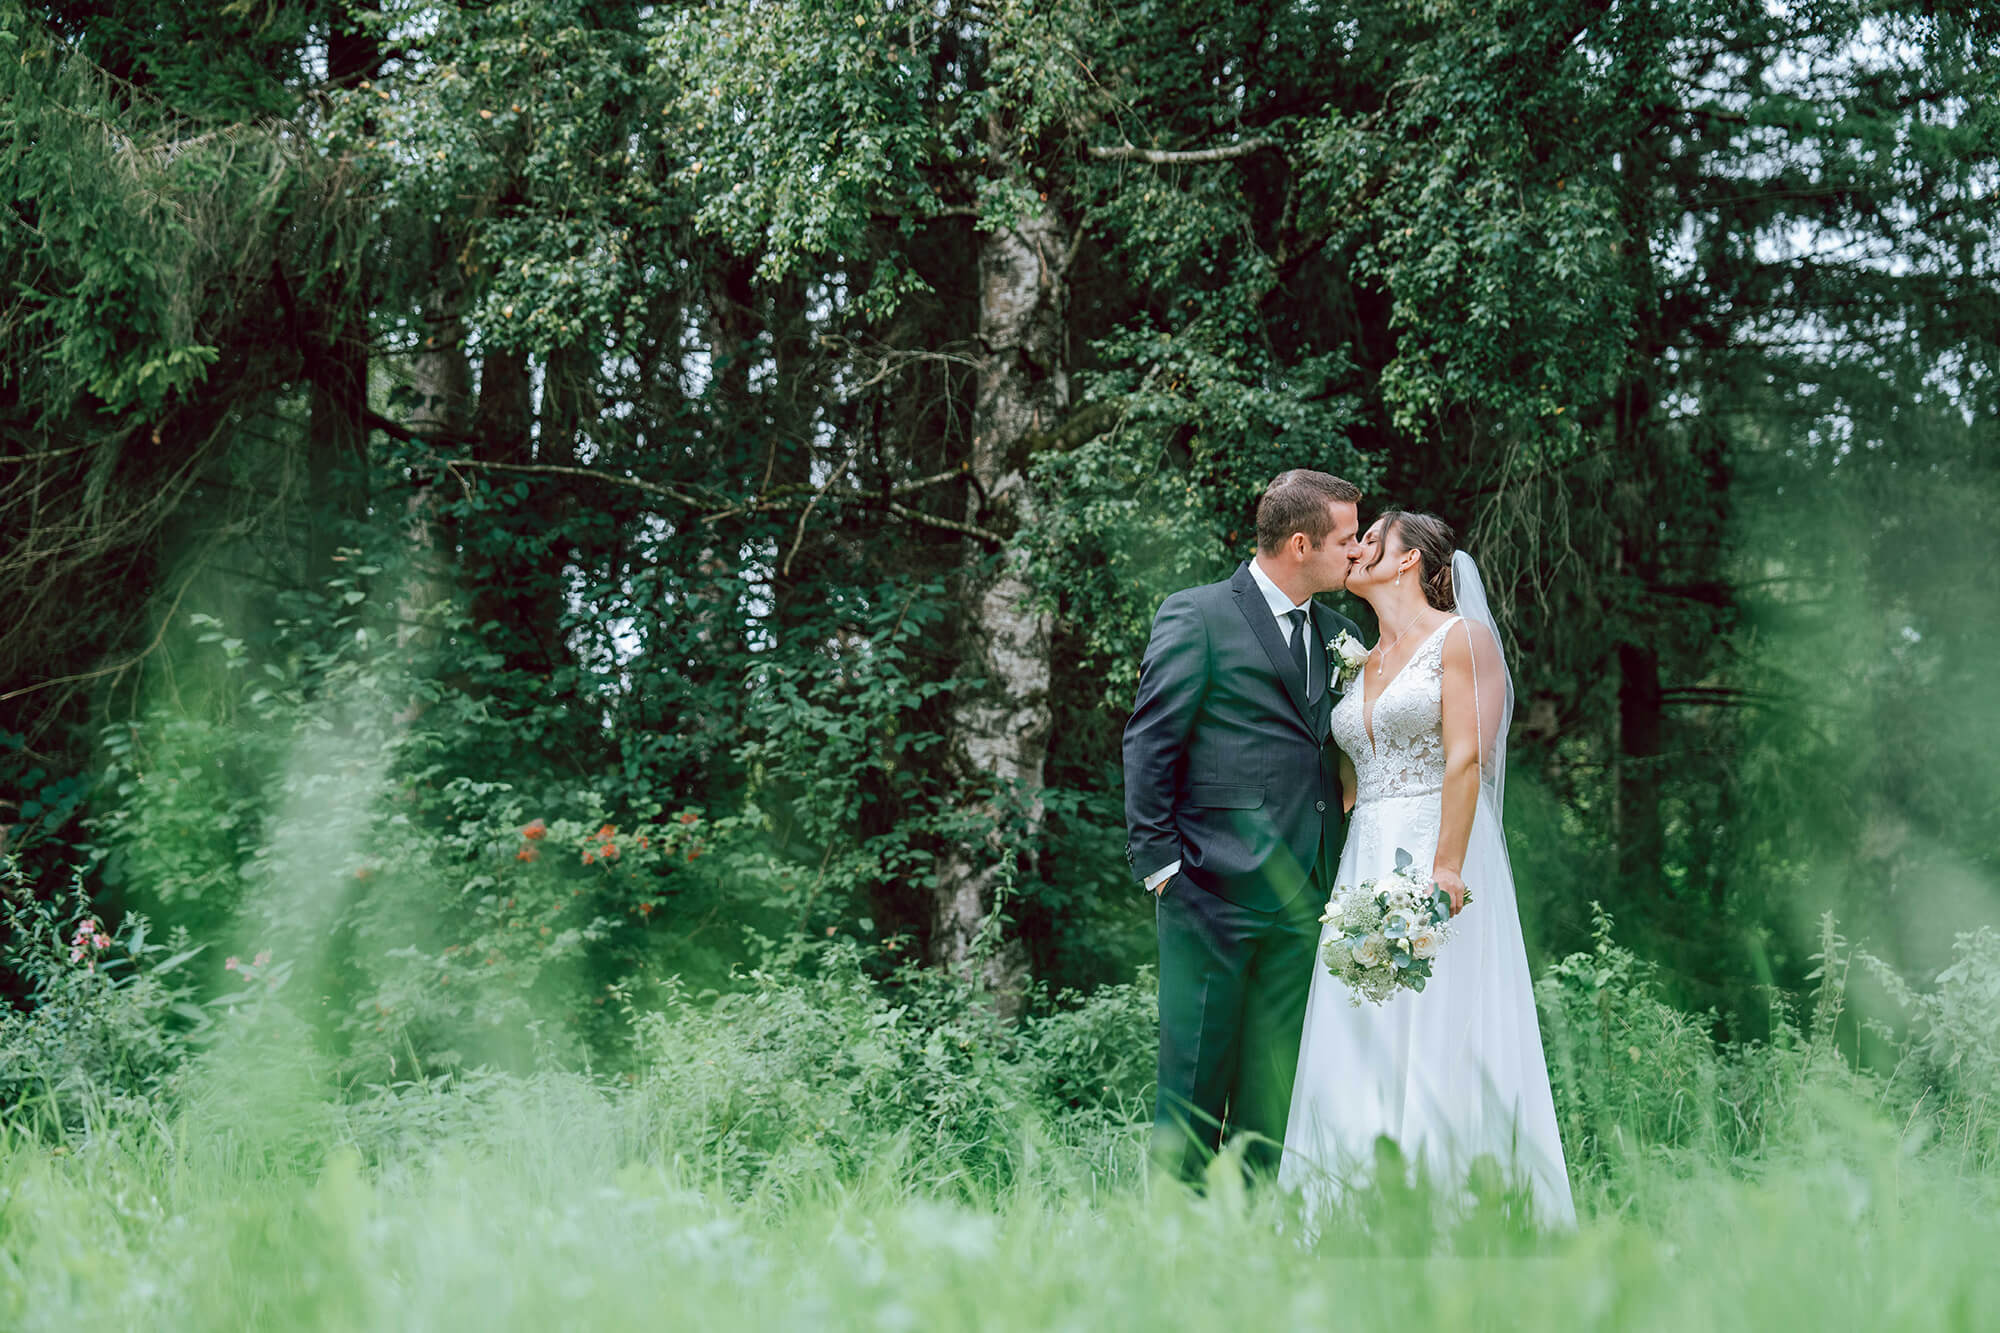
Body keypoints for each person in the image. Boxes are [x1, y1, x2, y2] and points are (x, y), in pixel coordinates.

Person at [1279, 511, 1575, 1226]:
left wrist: (1445, 870)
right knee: (1360, 1020)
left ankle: (1454, 1211)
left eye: (1370, 539)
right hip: (1364, 856)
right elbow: (1350, 777)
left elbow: (1468, 757)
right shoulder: (1358, 658)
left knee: (1438, 1019)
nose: (1356, 550)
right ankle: (1349, 1211)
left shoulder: (1460, 638)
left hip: (1436, 849)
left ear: (1408, 559)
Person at [1123, 469, 1365, 1184]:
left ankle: (1256, 1236)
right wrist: (1162, 868)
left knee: (1273, 1096)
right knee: (1194, 1089)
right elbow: (1150, 740)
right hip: (1209, 893)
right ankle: (1177, 1238)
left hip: (1304, 900)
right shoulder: (1197, 615)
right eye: (1347, 539)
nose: (1357, 551)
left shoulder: (1342, 634)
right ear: (1301, 544)